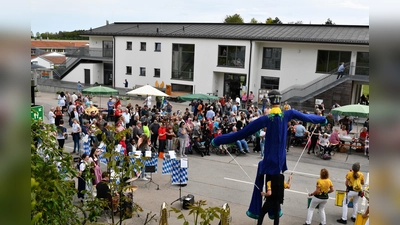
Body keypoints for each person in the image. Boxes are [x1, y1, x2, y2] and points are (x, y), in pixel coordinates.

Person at [212, 90, 327, 220]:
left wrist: (218, 140)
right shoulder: (288, 114)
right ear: (280, 100)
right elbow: (308, 117)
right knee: (276, 197)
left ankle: (258, 212)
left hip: (268, 162)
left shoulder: (265, 119)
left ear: (269, 101)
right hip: (279, 164)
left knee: (267, 190)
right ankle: (273, 213)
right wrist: (322, 119)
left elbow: (241, 134)